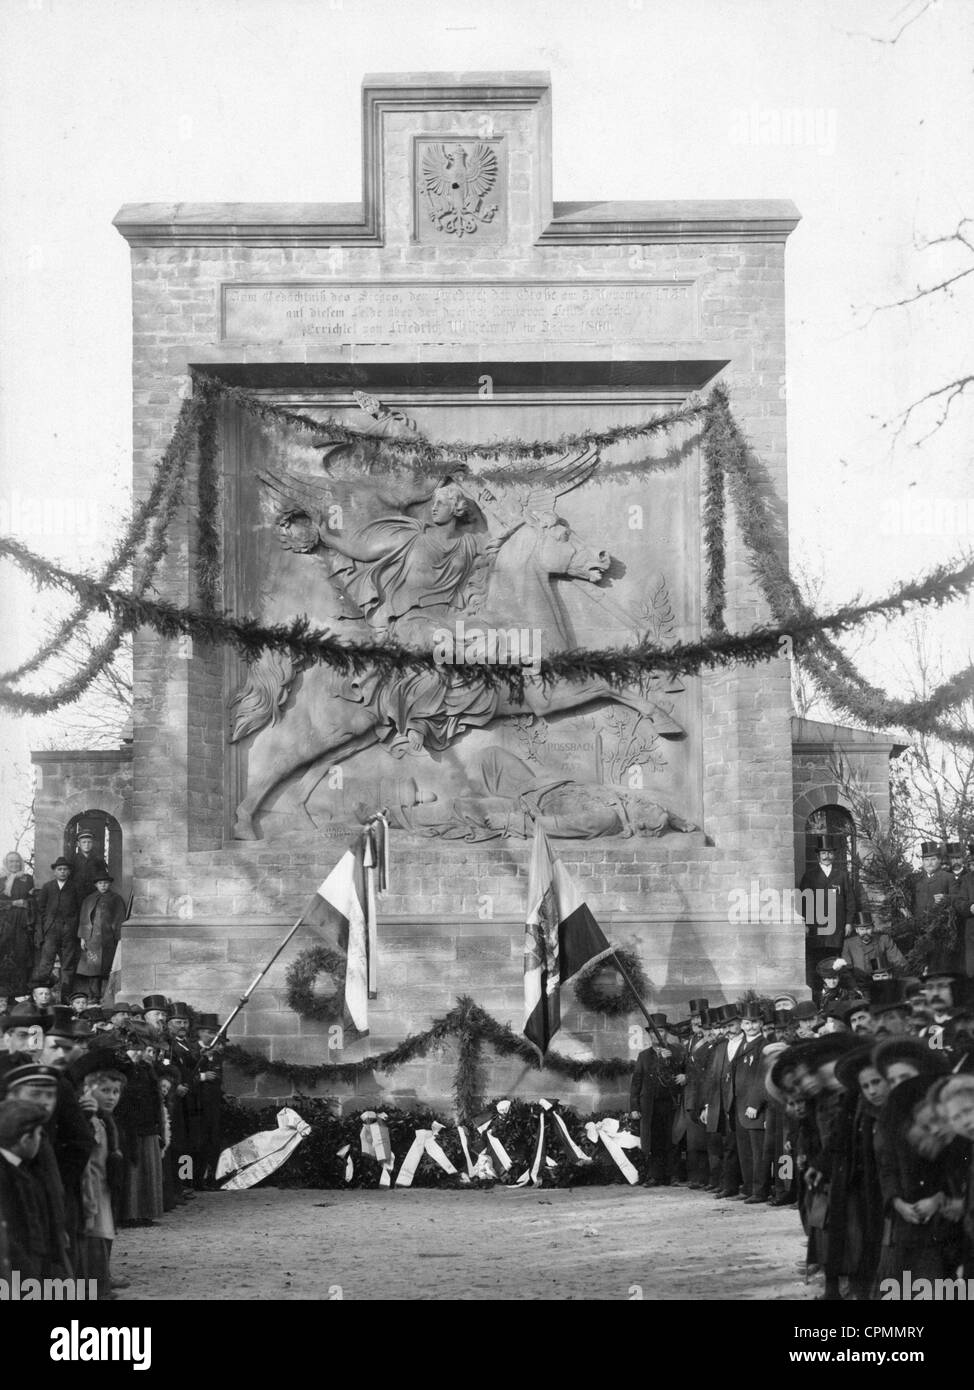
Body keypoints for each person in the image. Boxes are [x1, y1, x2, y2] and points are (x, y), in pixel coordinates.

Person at [78, 1062, 126, 1298]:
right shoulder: (91, 1121)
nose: (111, 1097)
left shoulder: (106, 1120)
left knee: (105, 1233)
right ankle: (94, 1289)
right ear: (88, 1090)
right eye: (105, 1091)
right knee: (95, 1236)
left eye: (116, 1092)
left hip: (104, 1185)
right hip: (91, 1186)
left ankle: (101, 1282)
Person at [0, 1098, 55, 1280]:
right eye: (39, 1134)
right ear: (25, 1140)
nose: (40, 1140)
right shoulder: (8, 1175)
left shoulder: (18, 1168)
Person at [629, 1014, 685, 1187]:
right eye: (653, 1032)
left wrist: (672, 1059)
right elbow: (636, 1082)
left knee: (673, 1140)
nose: (656, 1035)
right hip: (651, 1105)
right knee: (654, 1141)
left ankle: (674, 1175)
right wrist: (634, 1106)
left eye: (660, 1031)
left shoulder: (676, 1051)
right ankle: (656, 1175)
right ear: (649, 1035)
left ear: (666, 1033)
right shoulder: (644, 1056)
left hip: (671, 1103)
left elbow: (684, 1073)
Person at [799, 836, 860, 990]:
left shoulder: (842, 875)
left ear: (834, 855)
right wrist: (804, 923)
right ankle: (820, 994)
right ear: (818, 855)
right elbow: (802, 901)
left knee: (836, 962)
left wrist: (848, 922)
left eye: (830, 853)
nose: (827, 856)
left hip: (837, 928)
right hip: (816, 928)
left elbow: (850, 901)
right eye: (823, 853)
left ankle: (837, 993)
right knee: (817, 962)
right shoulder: (810, 876)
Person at [733, 1002, 769, 1203]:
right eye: (747, 1022)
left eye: (755, 1022)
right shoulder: (742, 1044)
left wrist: (755, 1104)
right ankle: (747, 1188)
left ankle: (760, 1190)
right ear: (742, 1024)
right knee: (745, 1151)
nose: (751, 1026)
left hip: (754, 1108)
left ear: (761, 1023)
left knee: (759, 1153)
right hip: (740, 1106)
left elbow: (763, 1076)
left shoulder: (763, 1045)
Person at [32, 857, 83, 1001]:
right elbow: (40, 910)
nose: (62, 872)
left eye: (65, 869)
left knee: (68, 964)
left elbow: (80, 909)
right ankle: (41, 996)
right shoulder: (48, 887)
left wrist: (75, 928)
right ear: (54, 872)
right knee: (45, 963)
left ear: (69, 872)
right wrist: (42, 930)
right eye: (59, 869)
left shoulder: (75, 887)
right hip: (51, 931)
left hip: (69, 931)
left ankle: (66, 997)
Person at [76, 873, 126, 1003]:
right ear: (96, 885)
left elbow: (120, 918)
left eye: (105, 883)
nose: (103, 886)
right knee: (92, 968)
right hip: (92, 939)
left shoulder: (116, 899)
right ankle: (94, 996)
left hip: (109, 938)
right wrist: (83, 937)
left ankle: (107, 996)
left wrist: (119, 937)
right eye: (100, 883)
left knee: (107, 967)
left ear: (109, 884)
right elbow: (84, 919)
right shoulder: (89, 899)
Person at [0, 851, 35, 1001]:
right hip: (4, 922)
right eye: (11, 862)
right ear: (6, 864)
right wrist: (13, 903)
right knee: (5, 955)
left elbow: (33, 899)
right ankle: (4, 994)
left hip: (22, 921)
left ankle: (21, 994)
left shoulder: (27, 879)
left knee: (22, 954)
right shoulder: (1, 880)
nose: (14, 864)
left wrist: (27, 903)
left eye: (16, 861)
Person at [194, 1013, 224, 1189]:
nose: (212, 1037)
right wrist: (202, 1077)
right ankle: (192, 1179)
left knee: (212, 1141)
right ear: (200, 1033)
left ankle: (209, 1179)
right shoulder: (193, 1051)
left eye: (214, 1033)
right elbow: (185, 1075)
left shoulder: (216, 1055)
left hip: (213, 1105)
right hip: (196, 1105)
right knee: (197, 1142)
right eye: (208, 1032)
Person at [841, 918, 907, 981]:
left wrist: (893, 980)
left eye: (868, 928)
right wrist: (854, 987)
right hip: (859, 983)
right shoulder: (848, 944)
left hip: (881, 981)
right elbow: (847, 968)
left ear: (873, 928)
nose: (865, 932)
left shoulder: (883, 940)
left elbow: (900, 962)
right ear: (856, 930)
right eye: (862, 929)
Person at [946, 841, 974, 978]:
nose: (956, 861)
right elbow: (959, 901)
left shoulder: (967, 875)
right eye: (953, 858)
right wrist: (970, 907)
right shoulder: (967, 879)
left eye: (958, 857)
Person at [69, 829, 109, 903]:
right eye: (84, 842)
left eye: (89, 842)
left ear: (93, 843)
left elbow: (103, 878)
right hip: (76, 896)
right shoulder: (72, 860)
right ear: (78, 844)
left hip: (93, 895)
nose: (86, 845)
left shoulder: (98, 861)